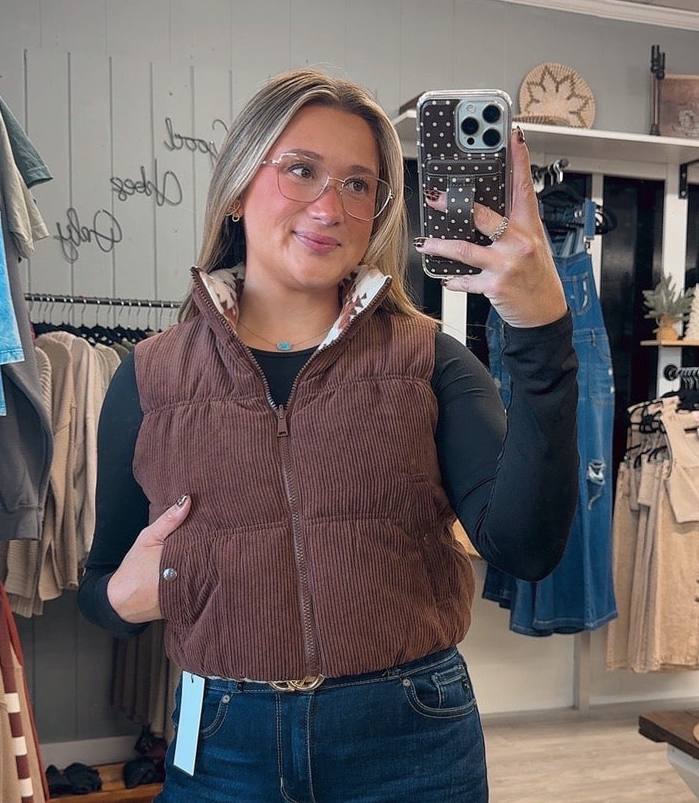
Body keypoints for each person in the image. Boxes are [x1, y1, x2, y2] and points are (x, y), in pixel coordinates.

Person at [78, 69, 579, 803]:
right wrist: (123, 597)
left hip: (408, 737)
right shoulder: (149, 377)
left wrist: (541, 332)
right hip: (222, 742)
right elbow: (99, 588)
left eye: (357, 184)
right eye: (301, 170)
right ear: (238, 188)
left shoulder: (431, 361)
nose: (330, 206)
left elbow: (526, 549)